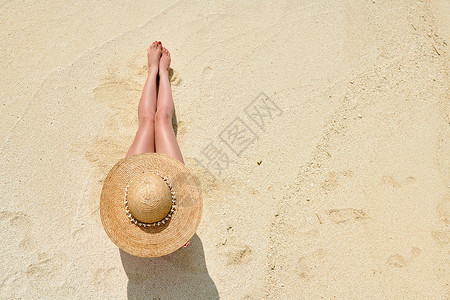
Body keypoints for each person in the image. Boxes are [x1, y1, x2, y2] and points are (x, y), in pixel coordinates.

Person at [126, 40, 184, 164]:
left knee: (147, 120)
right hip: (169, 182)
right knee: (162, 117)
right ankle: (162, 72)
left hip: (137, 181)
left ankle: (154, 70)